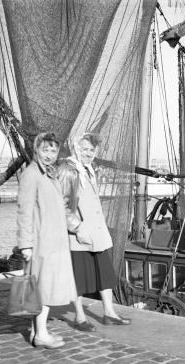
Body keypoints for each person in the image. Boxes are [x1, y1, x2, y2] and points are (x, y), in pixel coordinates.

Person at [58, 133, 131, 331]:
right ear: (76, 149)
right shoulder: (69, 169)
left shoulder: (88, 170)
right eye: (84, 149)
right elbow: (62, 203)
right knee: (78, 278)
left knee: (104, 274)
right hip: (79, 235)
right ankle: (80, 317)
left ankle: (109, 313)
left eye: (91, 150)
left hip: (96, 234)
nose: (88, 153)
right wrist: (77, 228)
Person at [18, 133, 77, 349]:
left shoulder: (49, 175)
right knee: (43, 289)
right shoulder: (31, 174)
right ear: (36, 150)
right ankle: (41, 334)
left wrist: (75, 225)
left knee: (43, 288)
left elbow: (59, 206)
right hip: (41, 242)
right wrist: (25, 244)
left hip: (53, 242)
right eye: (45, 150)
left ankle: (37, 331)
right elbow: (24, 211)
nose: (49, 155)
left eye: (53, 150)